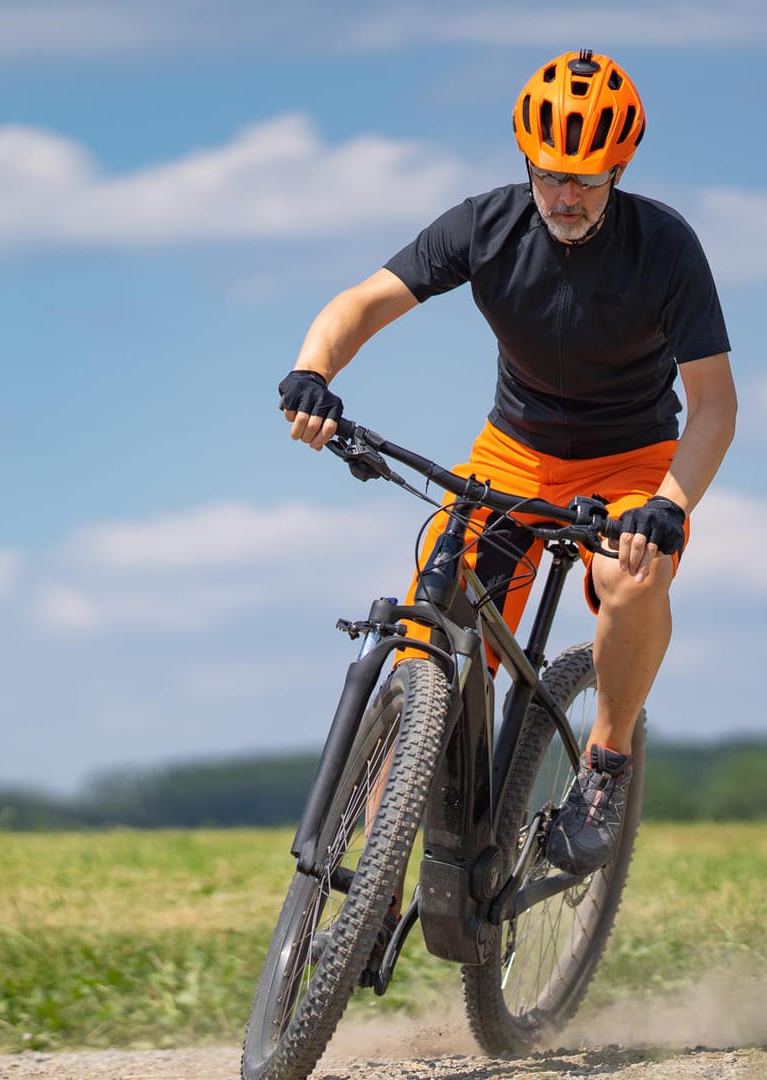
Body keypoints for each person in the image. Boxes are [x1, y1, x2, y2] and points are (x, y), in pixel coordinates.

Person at [277, 50, 736, 878]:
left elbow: (715, 407)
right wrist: (315, 372)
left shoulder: (665, 247)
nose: (567, 197)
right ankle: (376, 889)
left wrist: (669, 503)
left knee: (635, 579)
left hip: (631, 464)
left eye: (589, 181)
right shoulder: (485, 226)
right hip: (512, 458)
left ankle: (605, 762)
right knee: (427, 639)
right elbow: (361, 303)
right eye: (553, 175)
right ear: (528, 160)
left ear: (619, 169)